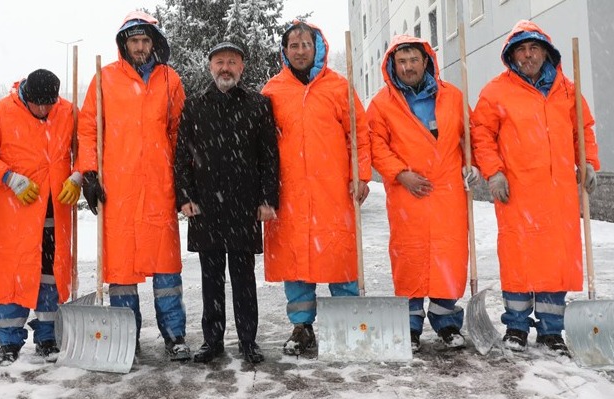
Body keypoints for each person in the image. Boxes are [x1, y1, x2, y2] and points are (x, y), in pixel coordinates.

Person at [471, 20, 600, 357]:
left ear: (546, 52)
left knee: (555, 261)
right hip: (517, 191)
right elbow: (481, 135)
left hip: (558, 195)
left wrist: (589, 163)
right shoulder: (496, 91)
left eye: (533, 49)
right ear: (512, 55)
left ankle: (551, 330)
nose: (527, 56)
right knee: (518, 258)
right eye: (521, 50)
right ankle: (515, 325)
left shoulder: (569, 90)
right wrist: (494, 173)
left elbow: (582, 132)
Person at [77, 11, 189, 360]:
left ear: (154, 43)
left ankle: (175, 336)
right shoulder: (104, 79)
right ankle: (129, 337)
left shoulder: (170, 80)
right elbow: (88, 130)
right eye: (133, 41)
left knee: (166, 268)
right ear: (123, 44)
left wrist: (181, 181)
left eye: (145, 41)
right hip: (119, 190)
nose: (140, 47)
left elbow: (179, 134)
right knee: (121, 269)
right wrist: (89, 173)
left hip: (159, 187)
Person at [261, 21, 372, 356]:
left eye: (305, 44)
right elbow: (263, 144)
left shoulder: (339, 87)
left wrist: (360, 175)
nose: (299, 51)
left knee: (340, 256)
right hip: (290, 191)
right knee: (296, 261)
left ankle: (349, 322)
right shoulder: (272, 91)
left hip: (333, 190)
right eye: (293, 46)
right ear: (285, 51)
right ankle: (302, 326)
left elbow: (359, 135)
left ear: (317, 47)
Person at [368, 36, 481, 352]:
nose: (407, 67)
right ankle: (410, 327)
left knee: (449, 257)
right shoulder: (381, 104)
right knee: (410, 258)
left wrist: (474, 165)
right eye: (401, 62)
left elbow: (473, 135)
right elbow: (376, 145)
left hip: (448, 194)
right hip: (408, 195)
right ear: (393, 66)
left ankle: (446, 324)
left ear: (425, 61)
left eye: (412, 60)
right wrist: (401, 174)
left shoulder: (453, 97)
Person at [173, 42, 279, 364]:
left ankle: (248, 341)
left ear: (242, 68)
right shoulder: (194, 107)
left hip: (244, 206)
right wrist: (185, 197)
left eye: (232, 62)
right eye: (220, 62)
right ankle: (213, 341)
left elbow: (269, 157)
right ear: (210, 67)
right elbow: (181, 158)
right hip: (206, 207)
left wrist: (267, 199)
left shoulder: (258, 106)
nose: (225, 68)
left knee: (244, 280)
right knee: (211, 278)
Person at [0, 69, 81, 365]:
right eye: (39, 105)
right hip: (15, 216)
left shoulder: (68, 111)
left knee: (50, 276)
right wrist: (9, 177)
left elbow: (86, 146)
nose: (45, 110)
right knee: (12, 275)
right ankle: (9, 341)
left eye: (50, 104)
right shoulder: (1, 113)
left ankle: (48, 336)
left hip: (55, 212)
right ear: (26, 96)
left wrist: (78, 174)